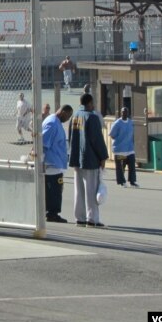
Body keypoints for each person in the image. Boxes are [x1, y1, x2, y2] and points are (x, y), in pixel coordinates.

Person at [69, 93, 109, 227]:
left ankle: (79, 217)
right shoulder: (92, 117)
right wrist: (103, 156)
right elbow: (96, 139)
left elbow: (71, 137)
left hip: (77, 158)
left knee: (78, 190)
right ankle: (92, 219)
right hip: (90, 159)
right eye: (93, 103)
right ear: (90, 103)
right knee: (91, 191)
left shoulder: (75, 116)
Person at [40, 104, 74, 223]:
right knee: (55, 190)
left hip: (54, 162)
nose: (68, 119)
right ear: (63, 112)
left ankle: (49, 212)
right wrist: (42, 160)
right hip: (52, 163)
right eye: (68, 116)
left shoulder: (54, 121)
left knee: (52, 190)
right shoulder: (53, 123)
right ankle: (52, 213)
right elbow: (43, 143)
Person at [109, 107, 139, 187]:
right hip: (120, 149)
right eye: (122, 112)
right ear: (121, 113)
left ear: (128, 113)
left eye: (126, 112)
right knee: (121, 167)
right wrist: (119, 140)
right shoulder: (117, 123)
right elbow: (112, 135)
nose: (124, 114)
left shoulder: (130, 122)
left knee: (132, 165)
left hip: (129, 149)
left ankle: (132, 181)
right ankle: (122, 181)